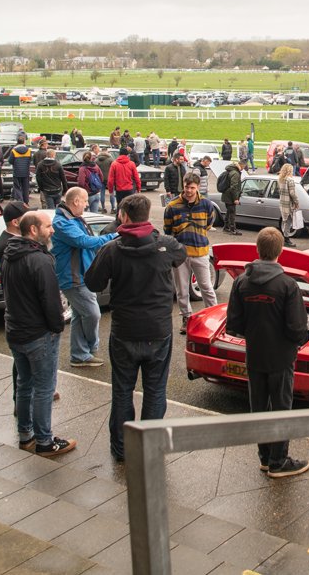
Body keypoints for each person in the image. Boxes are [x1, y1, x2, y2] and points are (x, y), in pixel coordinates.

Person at [84, 193, 182, 463]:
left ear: (123, 216)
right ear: (147, 215)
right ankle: (149, 447)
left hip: (125, 330)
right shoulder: (166, 245)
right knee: (155, 390)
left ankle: (121, 448)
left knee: (122, 390)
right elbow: (180, 256)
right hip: (157, 330)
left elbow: (92, 282)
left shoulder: (112, 249)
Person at [225, 227, 309, 478]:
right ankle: (279, 461)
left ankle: (264, 457)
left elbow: (234, 323)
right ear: (280, 251)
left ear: (257, 251)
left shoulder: (242, 281)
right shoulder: (287, 285)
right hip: (281, 356)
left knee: (259, 406)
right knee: (282, 407)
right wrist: (296, 342)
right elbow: (297, 327)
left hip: (255, 354)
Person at [2, 211, 76, 457]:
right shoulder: (40, 260)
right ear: (33, 230)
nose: (52, 230)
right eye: (47, 226)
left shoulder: (10, 253)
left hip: (15, 330)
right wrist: (57, 326)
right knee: (44, 388)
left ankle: (26, 436)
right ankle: (45, 442)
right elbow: (50, 300)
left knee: (24, 384)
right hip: (38, 334)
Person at [53, 187, 117, 368]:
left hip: (82, 275)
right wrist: (115, 236)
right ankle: (89, 349)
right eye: (85, 200)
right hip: (73, 278)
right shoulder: (63, 223)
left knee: (80, 315)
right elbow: (84, 242)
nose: (88, 204)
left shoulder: (72, 219)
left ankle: (80, 355)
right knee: (92, 313)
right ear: (75, 202)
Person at [164, 174, 218, 329]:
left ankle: (213, 316)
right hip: (180, 255)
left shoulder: (207, 205)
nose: (189, 190)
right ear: (183, 185)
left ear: (198, 187)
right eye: (187, 187)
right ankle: (186, 318)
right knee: (181, 290)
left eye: (192, 187)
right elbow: (168, 230)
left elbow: (208, 224)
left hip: (200, 253)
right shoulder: (172, 206)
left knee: (206, 287)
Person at [276, 163, 299, 248]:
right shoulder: (290, 180)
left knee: (285, 221)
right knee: (288, 222)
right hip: (289, 204)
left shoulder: (281, 179)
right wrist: (297, 202)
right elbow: (292, 193)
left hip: (282, 203)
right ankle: (286, 239)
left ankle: (284, 238)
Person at [8, 137, 34, 204]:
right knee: (25, 187)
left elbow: (10, 161)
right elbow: (30, 159)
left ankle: (20, 201)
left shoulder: (14, 151)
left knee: (17, 187)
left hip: (17, 172)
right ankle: (26, 201)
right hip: (25, 172)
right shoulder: (28, 150)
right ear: (24, 142)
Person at [221, 160, 244, 235]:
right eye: (244, 166)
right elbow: (233, 187)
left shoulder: (231, 170)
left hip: (226, 195)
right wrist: (235, 199)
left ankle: (226, 227)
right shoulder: (235, 173)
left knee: (229, 212)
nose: (244, 168)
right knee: (232, 213)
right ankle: (232, 229)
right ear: (241, 165)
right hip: (230, 196)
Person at [94, 145, 114, 212]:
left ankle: (103, 208)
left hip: (101, 179)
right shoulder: (110, 159)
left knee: (102, 193)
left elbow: (95, 170)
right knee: (111, 193)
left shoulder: (96, 160)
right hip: (109, 178)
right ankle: (113, 208)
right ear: (107, 151)